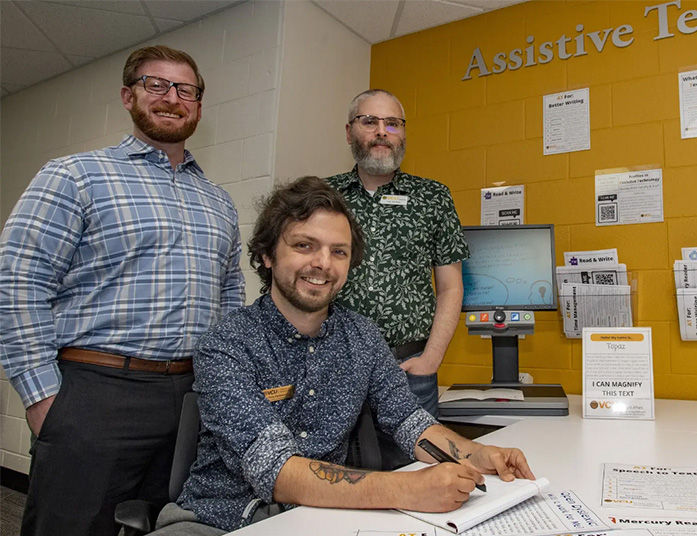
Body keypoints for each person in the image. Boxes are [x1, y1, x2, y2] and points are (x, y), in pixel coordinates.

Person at [151, 176, 534, 534]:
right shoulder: (227, 344)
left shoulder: (362, 336)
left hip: (321, 518)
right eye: (304, 245)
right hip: (219, 521)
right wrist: (406, 488)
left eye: (339, 252)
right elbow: (277, 470)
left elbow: (408, 420)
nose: (322, 263)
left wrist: (474, 454)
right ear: (267, 255)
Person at [0, 45, 244, 536]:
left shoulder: (220, 203)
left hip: (190, 397)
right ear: (129, 96)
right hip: (95, 392)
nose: (172, 98)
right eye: (156, 85)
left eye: (185, 90)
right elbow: (17, 281)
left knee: (164, 525)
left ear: (197, 105)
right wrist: (43, 398)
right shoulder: (74, 175)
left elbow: (230, 298)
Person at [326, 89, 469, 418]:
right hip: (331, 367)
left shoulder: (433, 197)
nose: (381, 131)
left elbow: (451, 286)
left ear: (403, 133)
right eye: (369, 121)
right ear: (349, 131)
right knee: (331, 467)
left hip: (409, 371)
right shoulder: (323, 196)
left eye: (392, 123)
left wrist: (431, 360)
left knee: (416, 466)